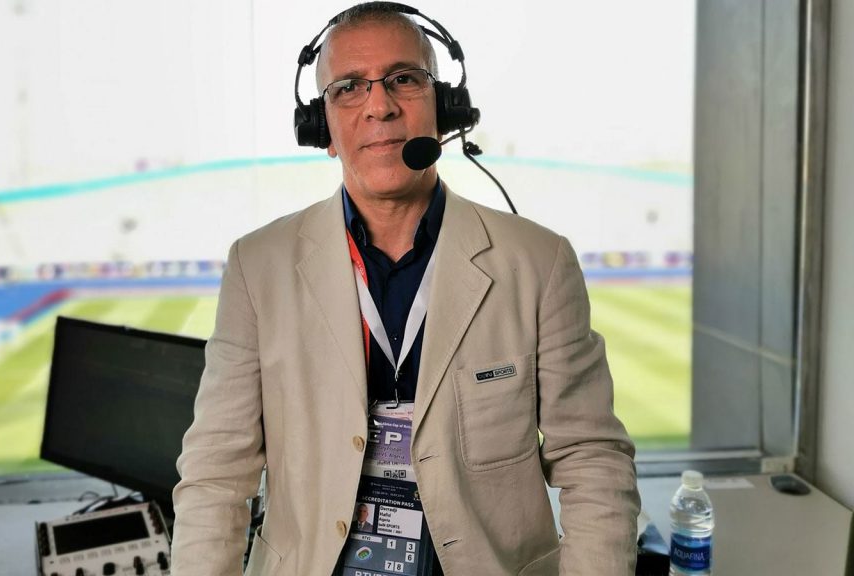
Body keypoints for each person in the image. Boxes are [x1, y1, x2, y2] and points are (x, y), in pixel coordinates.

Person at [171, 3, 640, 575]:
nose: (380, 106)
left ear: (445, 108)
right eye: (349, 87)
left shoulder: (539, 262)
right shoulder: (257, 265)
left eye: (403, 79)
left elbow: (592, 458)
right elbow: (217, 471)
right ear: (321, 128)